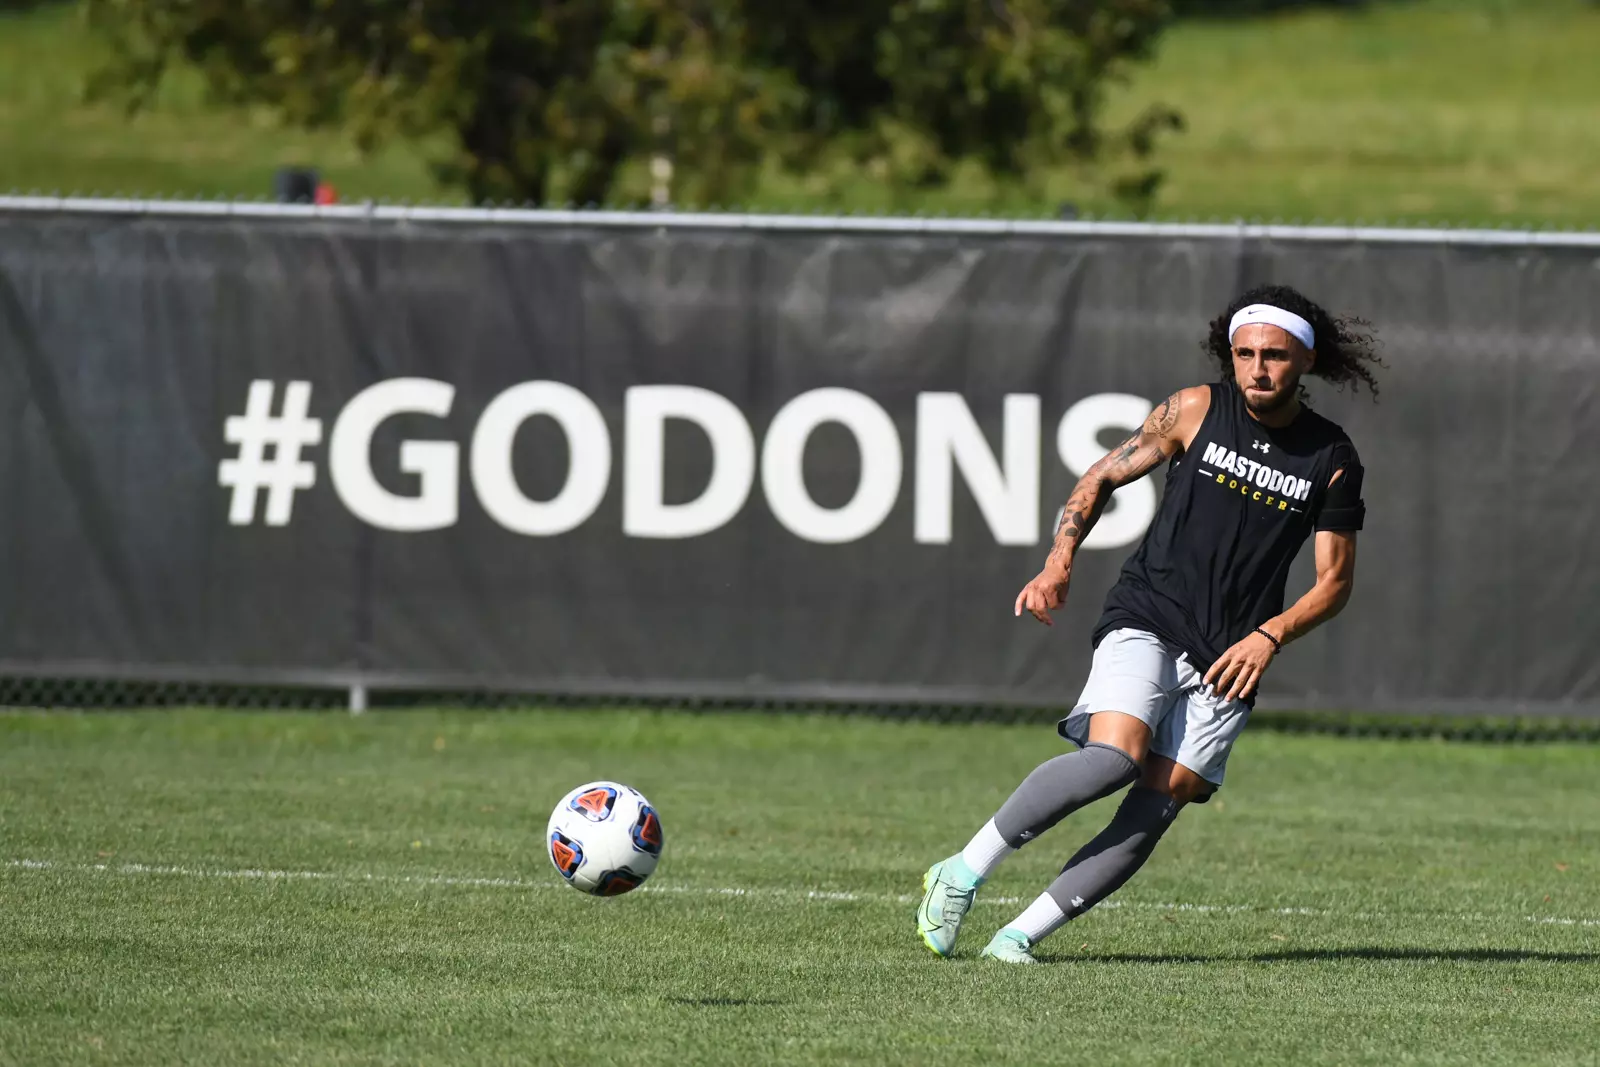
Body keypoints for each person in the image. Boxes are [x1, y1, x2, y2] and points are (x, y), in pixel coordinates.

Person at [915, 283, 1382, 963]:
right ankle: (961, 871)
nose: (1257, 367)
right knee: (1113, 757)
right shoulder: (1195, 408)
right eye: (1245, 352)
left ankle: (1016, 940)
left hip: (1233, 651)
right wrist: (1058, 560)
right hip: (1150, 613)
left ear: (1305, 360)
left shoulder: (1331, 457)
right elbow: (1102, 476)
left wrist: (1269, 634)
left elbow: (1335, 582)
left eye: (1274, 355)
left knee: (1159, 803)